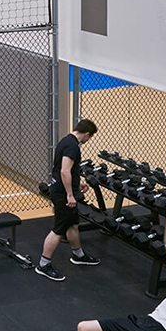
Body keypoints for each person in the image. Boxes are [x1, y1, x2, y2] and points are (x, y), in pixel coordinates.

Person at [37, 118, 101, 282]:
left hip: (62, 188)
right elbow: (65, 171)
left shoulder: (66, 140)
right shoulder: (73, 147)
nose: (88, 140)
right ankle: (43, 264)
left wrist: (76, 185)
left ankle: (78, 255)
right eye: (90, 137)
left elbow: (61, 170)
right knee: (58, 229)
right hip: (62, 193)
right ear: (86, 134)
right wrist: (70, 195)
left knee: (73, 223)